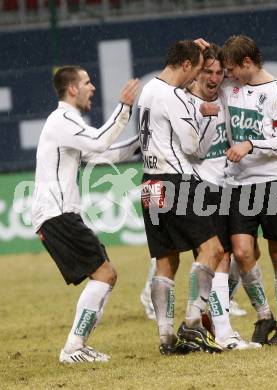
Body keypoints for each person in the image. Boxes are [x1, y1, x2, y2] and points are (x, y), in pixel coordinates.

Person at [31, 65, 139, 363]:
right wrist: (125, 107)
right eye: (87, 82)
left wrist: (141, 140)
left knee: (106, 274)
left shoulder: (69, 123)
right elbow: (99, 141)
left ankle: (77, 346)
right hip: (57, 213)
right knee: (105, 274)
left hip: (60, 214)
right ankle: (73, 348)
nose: (93, 88)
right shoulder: (61, 120)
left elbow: (103, 154)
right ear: (73, 89)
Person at [138, 40, 224, 355]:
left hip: (149, 183)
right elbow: (194, 149)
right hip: (176, 182)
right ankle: (192, 323)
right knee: (212, 250)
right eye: (198, 69)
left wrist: (195, 45)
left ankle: (165, 336)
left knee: (166, 260)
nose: (197, 78)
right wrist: (210, 116)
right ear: (186, 65)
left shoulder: (148, 90)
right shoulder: (175, 97)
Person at [221, 35, 277, 345]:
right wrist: (203, 52)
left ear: (247, 63)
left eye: (231, 69)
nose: (227, 75)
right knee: (241, 252)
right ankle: (264, 315)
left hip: (275, 182)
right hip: (239, 184)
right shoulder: (229, 89)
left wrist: (250, 144)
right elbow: (200, 76)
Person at [185, 43, 260, 350]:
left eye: (219, 72)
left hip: (227, 187)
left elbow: (234, 66)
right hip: (200, 188)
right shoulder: (185, 102)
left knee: (234, 256)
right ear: (193, 74)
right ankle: (222, 332)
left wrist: (211, 47)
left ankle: (210, 322)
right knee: (219, 257)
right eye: (208, 72)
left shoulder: (225, 91)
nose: (215, 78)